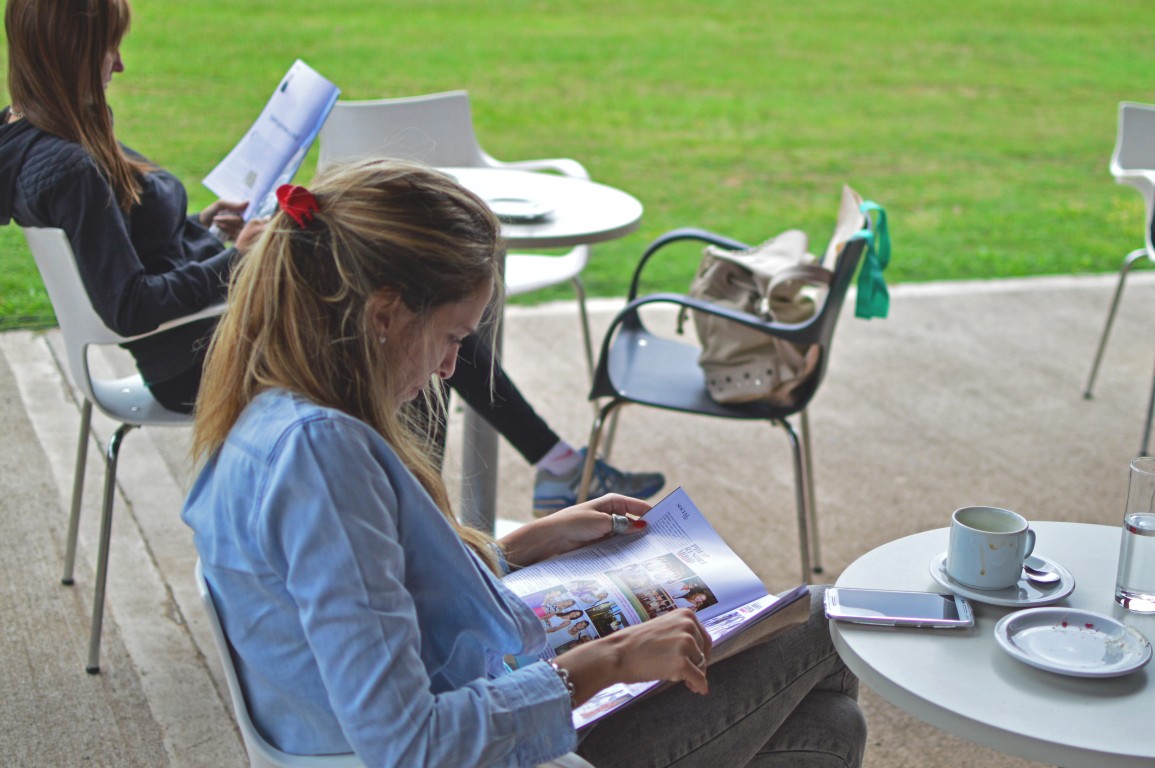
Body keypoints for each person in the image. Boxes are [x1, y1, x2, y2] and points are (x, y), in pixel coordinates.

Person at [182, 157, 866, 767]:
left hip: (418, 725)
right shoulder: (322, 458)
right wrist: (609, 661)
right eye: (452, 336)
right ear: (384, 315)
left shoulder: (267, 414)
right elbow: (409, 744)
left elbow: (377, 589)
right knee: (824, 620)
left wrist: (527, 545)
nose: (450, 367)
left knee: (831, 727)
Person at [0, 0, 663, 516]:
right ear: (72, 51)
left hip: (210, 329)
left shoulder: (36, 135)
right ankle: (451, 521)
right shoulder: (70, 166)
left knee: (420, 309)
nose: (119, 65)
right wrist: (237, 262)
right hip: (201, 357)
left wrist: (207, 228)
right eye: (109, 46)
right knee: (411, 328)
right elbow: (128, 307)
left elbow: (133, 249)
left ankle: (535, 476)